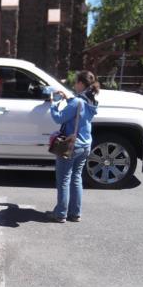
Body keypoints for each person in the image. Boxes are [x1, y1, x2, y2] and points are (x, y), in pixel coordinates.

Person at [46, 71, 99, 223]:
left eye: (76, 82)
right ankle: (75, 213)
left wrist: (54, 103)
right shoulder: (91, 101)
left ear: (81, 84)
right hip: (85, 144)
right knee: (76, 178)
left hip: (71, 145)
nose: (74, 85)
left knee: (64, 180)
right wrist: (68, 98)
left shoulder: (76, 102)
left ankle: (61, 214)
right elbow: (79, 111)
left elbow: (58, 118)